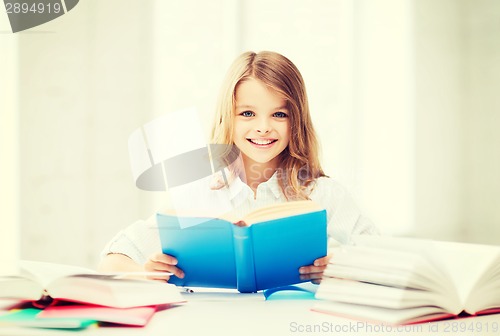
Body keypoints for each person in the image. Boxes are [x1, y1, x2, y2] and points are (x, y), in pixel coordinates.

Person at [98, 51, 378, 284]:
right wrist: (147, 275)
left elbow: (383, 263)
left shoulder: (323, 193)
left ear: (297, 122)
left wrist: (343, 269)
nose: (263, 127)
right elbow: (113, 260)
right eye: (247, 113)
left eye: (279, 114)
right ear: (227, 118)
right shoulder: (198, 193)